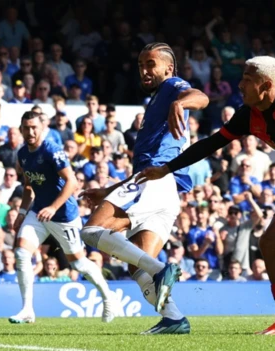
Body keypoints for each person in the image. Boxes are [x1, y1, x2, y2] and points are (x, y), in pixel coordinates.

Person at [136, 56, 275, 335]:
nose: (240, 85)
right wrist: (165, 168)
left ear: (267, 86)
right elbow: (210, 144)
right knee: (271, 242)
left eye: (248, 80)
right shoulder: (248, 115)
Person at [78, 42, 209, 334]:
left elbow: (200, 97)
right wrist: (109, 190)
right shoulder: (157, 101)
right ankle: (174, 319)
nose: (145, 70)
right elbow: (146, 166)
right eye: (141, 65)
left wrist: (180, 102)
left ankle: (162, 270)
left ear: (168, 68)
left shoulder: (173, 87)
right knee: (137, 267)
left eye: (151, 64)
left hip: (155, 182)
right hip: (165, 191)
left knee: (90, 231)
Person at [9, 111, 118, 325]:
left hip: (64, 215)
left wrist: (53, 207)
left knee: (78, 264)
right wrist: (22, 213)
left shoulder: (52, 150)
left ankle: (108, 297)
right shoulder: (22, 154)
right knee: (21, 253)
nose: (30, 132)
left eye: (34, 127)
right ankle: (27, 309)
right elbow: (29, 186)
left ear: (41, 128)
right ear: (21, 129)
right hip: (39, 211)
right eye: (26, 128)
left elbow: (72, 182)